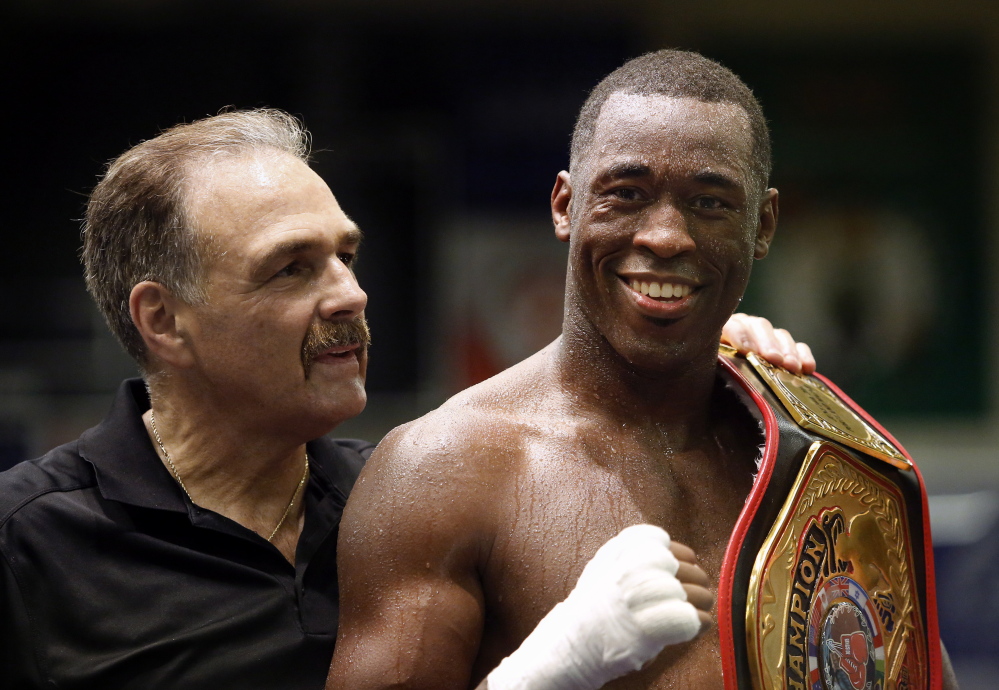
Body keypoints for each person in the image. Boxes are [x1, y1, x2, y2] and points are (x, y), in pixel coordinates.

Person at [0, 107, 802, 689]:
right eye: (292, 268)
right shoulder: (28, 543)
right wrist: (558, 666)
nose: (349, 294)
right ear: (163, 320)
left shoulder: (400, 491)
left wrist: (696, 343)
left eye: (346, 255)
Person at [326, 50, 958, 690]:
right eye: (626, 194)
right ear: (564, 205)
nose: (666, 236)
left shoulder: (826, 466)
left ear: (762, 225)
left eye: (710, 203)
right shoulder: (443, 470)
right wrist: (550, 674)